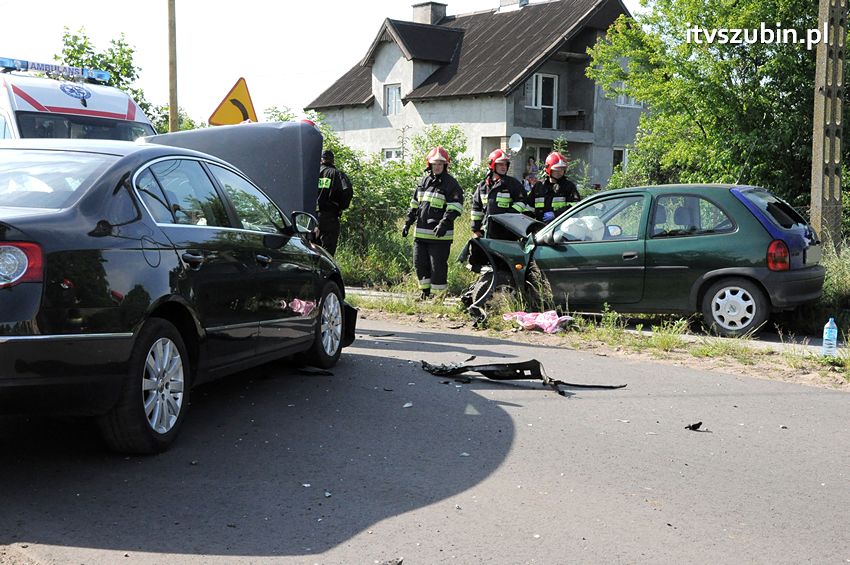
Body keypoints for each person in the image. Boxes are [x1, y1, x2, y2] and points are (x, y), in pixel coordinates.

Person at [402, 146, 464, 299]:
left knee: (438, 267)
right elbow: (415, 204)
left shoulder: (451, 184)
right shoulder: (424, 181)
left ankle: (438, 296)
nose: (437, 167)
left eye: (440, 164)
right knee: (419, 264)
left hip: (440, 236)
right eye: (434, 164)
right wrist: (408, 222)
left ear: (445, 166)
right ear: (429, 165)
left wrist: (444, 223)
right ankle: (425, 292)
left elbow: (455, 207)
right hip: (421, 234)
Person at [470, 148, 532, 238]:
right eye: (500, 164)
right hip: (487, 231)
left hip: (507, 231)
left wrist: (507, 217)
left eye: (505, 164)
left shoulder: (513, 184)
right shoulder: (483, 186)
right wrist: (476, 230)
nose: (504, 167)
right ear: (492, 165)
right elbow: (476, 209)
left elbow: (522, 202)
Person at [316, 149, 352, 255]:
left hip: (310, 216)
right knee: (327, 249)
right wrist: (341, 206)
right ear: (332, 161)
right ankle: (326, 271)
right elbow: (346, 191)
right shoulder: (336, 174)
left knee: (312, 248)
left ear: (321, 160)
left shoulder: (312, 173)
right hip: (329, 217)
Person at [528, 151, 580, 223]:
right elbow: (529, 206)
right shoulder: (539, 186)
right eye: (556, 170)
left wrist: (556, 214)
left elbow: (576, 206)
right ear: (549, 169)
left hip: (559, 227)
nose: (560, 172)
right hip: (540, 228)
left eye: (562, 169)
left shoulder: (569, 186)